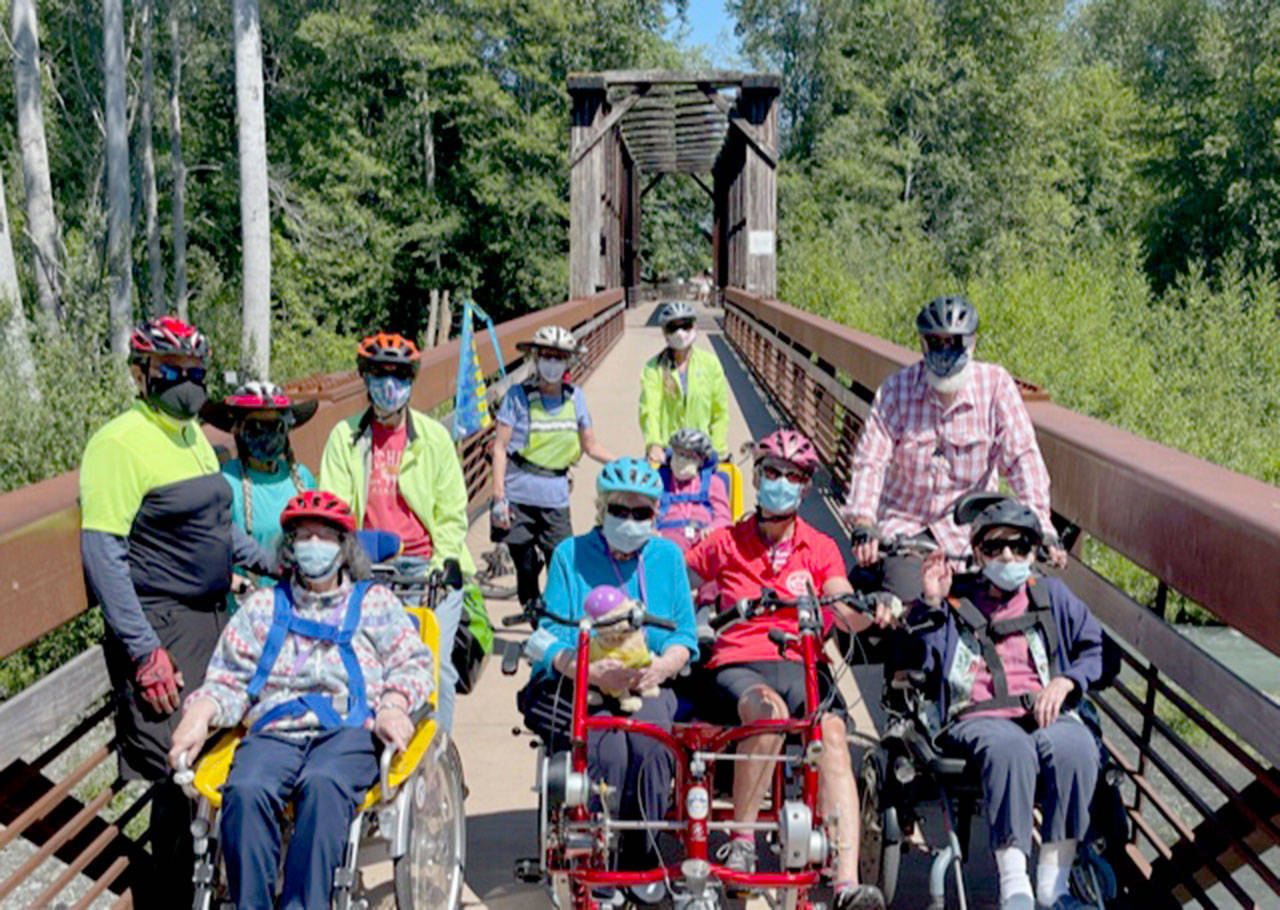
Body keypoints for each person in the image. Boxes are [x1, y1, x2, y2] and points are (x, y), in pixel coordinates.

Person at [79, 316, 274, 906]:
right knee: (177, 781)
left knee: (219, 768)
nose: (185, 383)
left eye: (195, 373)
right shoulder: (118, 443)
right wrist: (144, 654)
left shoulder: (193, 436)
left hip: (214, 621)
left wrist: (279, 564)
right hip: (162, 630)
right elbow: (103, 554)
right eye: (171, 372)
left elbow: (223, 532)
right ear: (142, 374)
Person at [168, 491, 434, 910]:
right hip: (274, 731)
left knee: (323, 785)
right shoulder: (261, 608)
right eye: (302, 536)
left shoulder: (375, 603)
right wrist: (200, 712)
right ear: (288, 547)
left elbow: (412, 663)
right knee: (247, 789)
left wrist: (394, 705)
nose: (312, 545)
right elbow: (228, 679)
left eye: (323, 536)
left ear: (343, 547)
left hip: (349, 730)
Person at [685, 429, 890, 910]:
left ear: (804, 487)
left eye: (792, 476)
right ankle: (742, 842)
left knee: (835, 732)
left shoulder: (818, 547)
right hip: (740, 662)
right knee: (770, 712)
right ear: (758, 477)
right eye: (772, 472)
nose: (780, 482)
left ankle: (844, 881)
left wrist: (875, 607)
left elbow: (842, 606)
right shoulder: (726, 542)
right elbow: (675, 573)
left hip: (802, 660)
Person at [907, 493, 1103, 910]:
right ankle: (1015, 888)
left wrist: (1068, 681)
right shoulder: (953, 596)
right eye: (994, 546)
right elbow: (916, 658)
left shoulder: (1051, 596)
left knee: (1077, 747)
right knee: (1010, 748)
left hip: (1045, 707)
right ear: (977, 552)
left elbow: (1096, 651)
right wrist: (929, 603)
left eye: (1019, 546)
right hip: (977, 715)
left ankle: (1055, 886)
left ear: (1034, 551)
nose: (1008, 555)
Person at [518, 457, 697, 904]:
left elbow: (684, 634)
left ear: (656, 516)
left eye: (641, 513)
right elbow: (552, 631)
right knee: (608, 750)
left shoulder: (667, 557)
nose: (630, 521)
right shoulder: (569, 555)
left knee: (652, 744)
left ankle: (643, 856)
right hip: (587, 677)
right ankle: (601, 862)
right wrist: (587, 670)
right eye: (620, 510)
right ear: (602, 510)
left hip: (647, 679)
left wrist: (661, 667)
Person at [842, 295, 1066, 607]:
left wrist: (1040, 524)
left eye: (954, 342)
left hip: (972, 538)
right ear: (922, 344)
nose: (945, 352)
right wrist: (863, 520)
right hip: (907, 532)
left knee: (1002, 611)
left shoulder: (996, 386)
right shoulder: (896, 390)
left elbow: (1022, 459)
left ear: (971, 343)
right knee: (911, 612)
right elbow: (871, 460)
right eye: (935, 342)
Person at [319, 331, 473, 733]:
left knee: (435, 666)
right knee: (359, 661)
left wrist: (444, 562)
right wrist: (346, 560)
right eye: (380, 375)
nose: (390, 386)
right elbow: (335, 510)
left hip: (427, 568)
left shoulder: (434, 438)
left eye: (401, 377)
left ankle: (439, 756)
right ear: (365, 379)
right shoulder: (344, 437)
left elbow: (452, 511)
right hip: (368, 566)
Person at [490, 325, 614, 605]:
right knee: (522, 559)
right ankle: (531, 605)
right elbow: (500, 447)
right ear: (536, 357)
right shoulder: (517, 397)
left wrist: (623, 462)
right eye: (547, 356)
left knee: (560, 559)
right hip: (518, 492)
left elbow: (590, 445)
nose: (552, 363)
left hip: (555, 496)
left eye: (559, 357)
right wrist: (499, 497)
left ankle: (556, 612)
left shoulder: (575, 398)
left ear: (568, 361)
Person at [201, 381, 318, 605]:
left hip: (295, 602)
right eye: (256, 426)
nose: (266, 435)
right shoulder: (225, 481)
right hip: (243, 607)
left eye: (275, 426)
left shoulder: (302, 479)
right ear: (238, 429)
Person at [639, 300, 730, 464]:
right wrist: (654, 444)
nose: (680, 332)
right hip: (668, 454)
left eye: (685, 326)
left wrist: (718, 449)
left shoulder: (710, 364)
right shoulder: (653, 368)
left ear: (695, 327)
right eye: (673, 327)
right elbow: (649, 410)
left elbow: (720, 412)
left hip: (702, 453)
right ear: (665, 333)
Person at [655, 427, 732, 551]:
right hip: (667, 540)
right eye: (678, 454)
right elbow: (649, 514)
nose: (681, 460)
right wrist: (652, 532)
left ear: (700, 460)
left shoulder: (713, 482)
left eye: (688, 456)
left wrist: (713, 528)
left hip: (703, 540)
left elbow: (724, 517)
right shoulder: (659, 481)